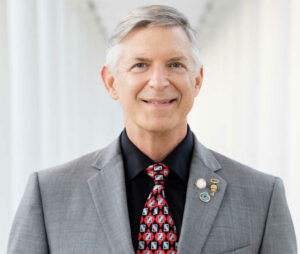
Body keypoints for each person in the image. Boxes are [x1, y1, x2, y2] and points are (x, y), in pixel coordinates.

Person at [7, 5, 297, 254]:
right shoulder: (49, 197)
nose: (158, 82)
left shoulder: (262, 197)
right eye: (140, 65)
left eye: (175, 64)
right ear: (111, 82)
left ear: (197, 80)